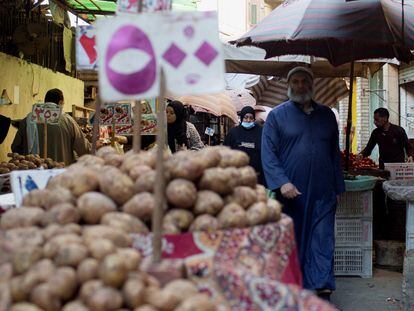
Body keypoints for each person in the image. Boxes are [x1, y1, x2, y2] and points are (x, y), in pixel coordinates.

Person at [261, 67, 345, 300]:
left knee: (322, 239)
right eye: (295, 81)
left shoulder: (327, 115)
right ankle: (295, 290)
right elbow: (268, 154)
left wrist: (338, 187)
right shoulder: (277, 116)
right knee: (293, 241)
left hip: (323, 192)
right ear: (289, 86)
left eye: (304, 81)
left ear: (311, 84)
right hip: (291, 194)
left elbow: (334, 154)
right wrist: (281, 183)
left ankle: (321, 290)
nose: (300, 85)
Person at [12, 88, 91, 165]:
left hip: (33, 174)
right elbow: (83, 149)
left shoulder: (28, 119)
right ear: (60, 102)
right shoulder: (68, 121)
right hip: (60, 172)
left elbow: (16, 147)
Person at [224, 106, 265, 186]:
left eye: (251, 118)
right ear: (242, 117)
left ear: (254, 119)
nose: (248, 120)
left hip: (256, 175)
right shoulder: (234, 132)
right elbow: (225, 150)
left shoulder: (261, 132)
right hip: (237, 174)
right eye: (246, 118)